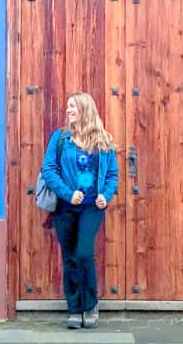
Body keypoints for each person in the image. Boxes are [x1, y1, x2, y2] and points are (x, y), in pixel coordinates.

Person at [39, 92, 119, 330]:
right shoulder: (60, 138)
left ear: (85, 109)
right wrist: (67, 193)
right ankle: (74, 308)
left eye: (72, 106)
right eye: (67, 106)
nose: (68, 110)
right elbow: (48, 169)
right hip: (65, 207)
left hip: (92, 207)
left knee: (84, 252)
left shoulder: (103, 141)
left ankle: (90, 304)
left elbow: (113, 174)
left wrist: (106, 194)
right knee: (70, 257)